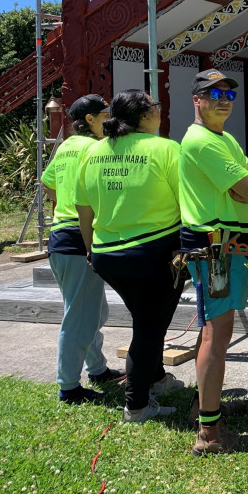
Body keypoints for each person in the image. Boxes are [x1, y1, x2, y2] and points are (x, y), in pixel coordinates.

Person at [73, 90, 184, 422]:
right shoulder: (166, 148)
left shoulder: (93, 152)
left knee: (148, 318)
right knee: (148, 327)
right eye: (156, 106)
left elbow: (83, 209)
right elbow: (189, 204)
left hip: (107, 256)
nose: (160, 111)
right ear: (146, 115)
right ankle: (137, 405)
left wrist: (92, 250)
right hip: (154, 254)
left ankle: (158, 378)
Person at [179, 68, 248, 455]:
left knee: (213, 331)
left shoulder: (222, 138)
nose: (223, 100)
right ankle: (209, 434)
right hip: (217, 248)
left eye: (229, 94)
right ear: (196, 100)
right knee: (217, 336)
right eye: (214, 94)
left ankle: (203, 407)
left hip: (225, 245)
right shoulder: (202, 142)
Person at [42, 94, 124, 404]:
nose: (111, 119)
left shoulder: (66, 147)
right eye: (106, 114)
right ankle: (69, 387)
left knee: (92, 311)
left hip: (61, 240)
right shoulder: (97, 148)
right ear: (90, 120)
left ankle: (98, 369)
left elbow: (47, 182)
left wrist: (63, 200)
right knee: (80, 317)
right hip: (80, 239)